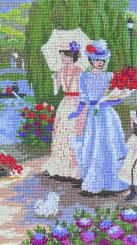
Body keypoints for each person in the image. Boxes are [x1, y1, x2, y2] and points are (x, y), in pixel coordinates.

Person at [68, 40, 128, 194]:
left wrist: (109, 100)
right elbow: (83, 99)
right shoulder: (84, 77)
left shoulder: (109, 76)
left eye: (102, 60)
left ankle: (111, 181)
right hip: (93, 115)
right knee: (93, 143)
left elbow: (118, 99)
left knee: (108, 143)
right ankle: (93, 179)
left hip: (107, 115)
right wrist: (77, 112)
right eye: (96, 60)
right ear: (91, 60)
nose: (99, 63)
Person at [44, 40, 84, 181]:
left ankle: (74, 166)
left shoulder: (80, 72)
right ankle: (61, 164)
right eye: (61, 56)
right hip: (66, 102)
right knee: (62, 131)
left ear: (72, 57)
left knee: (74, 131)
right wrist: (55, 80)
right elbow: (56, 92)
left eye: (64, 56)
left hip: (76, 102)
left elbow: (83, 90)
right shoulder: (61, 71)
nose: (62, 59)